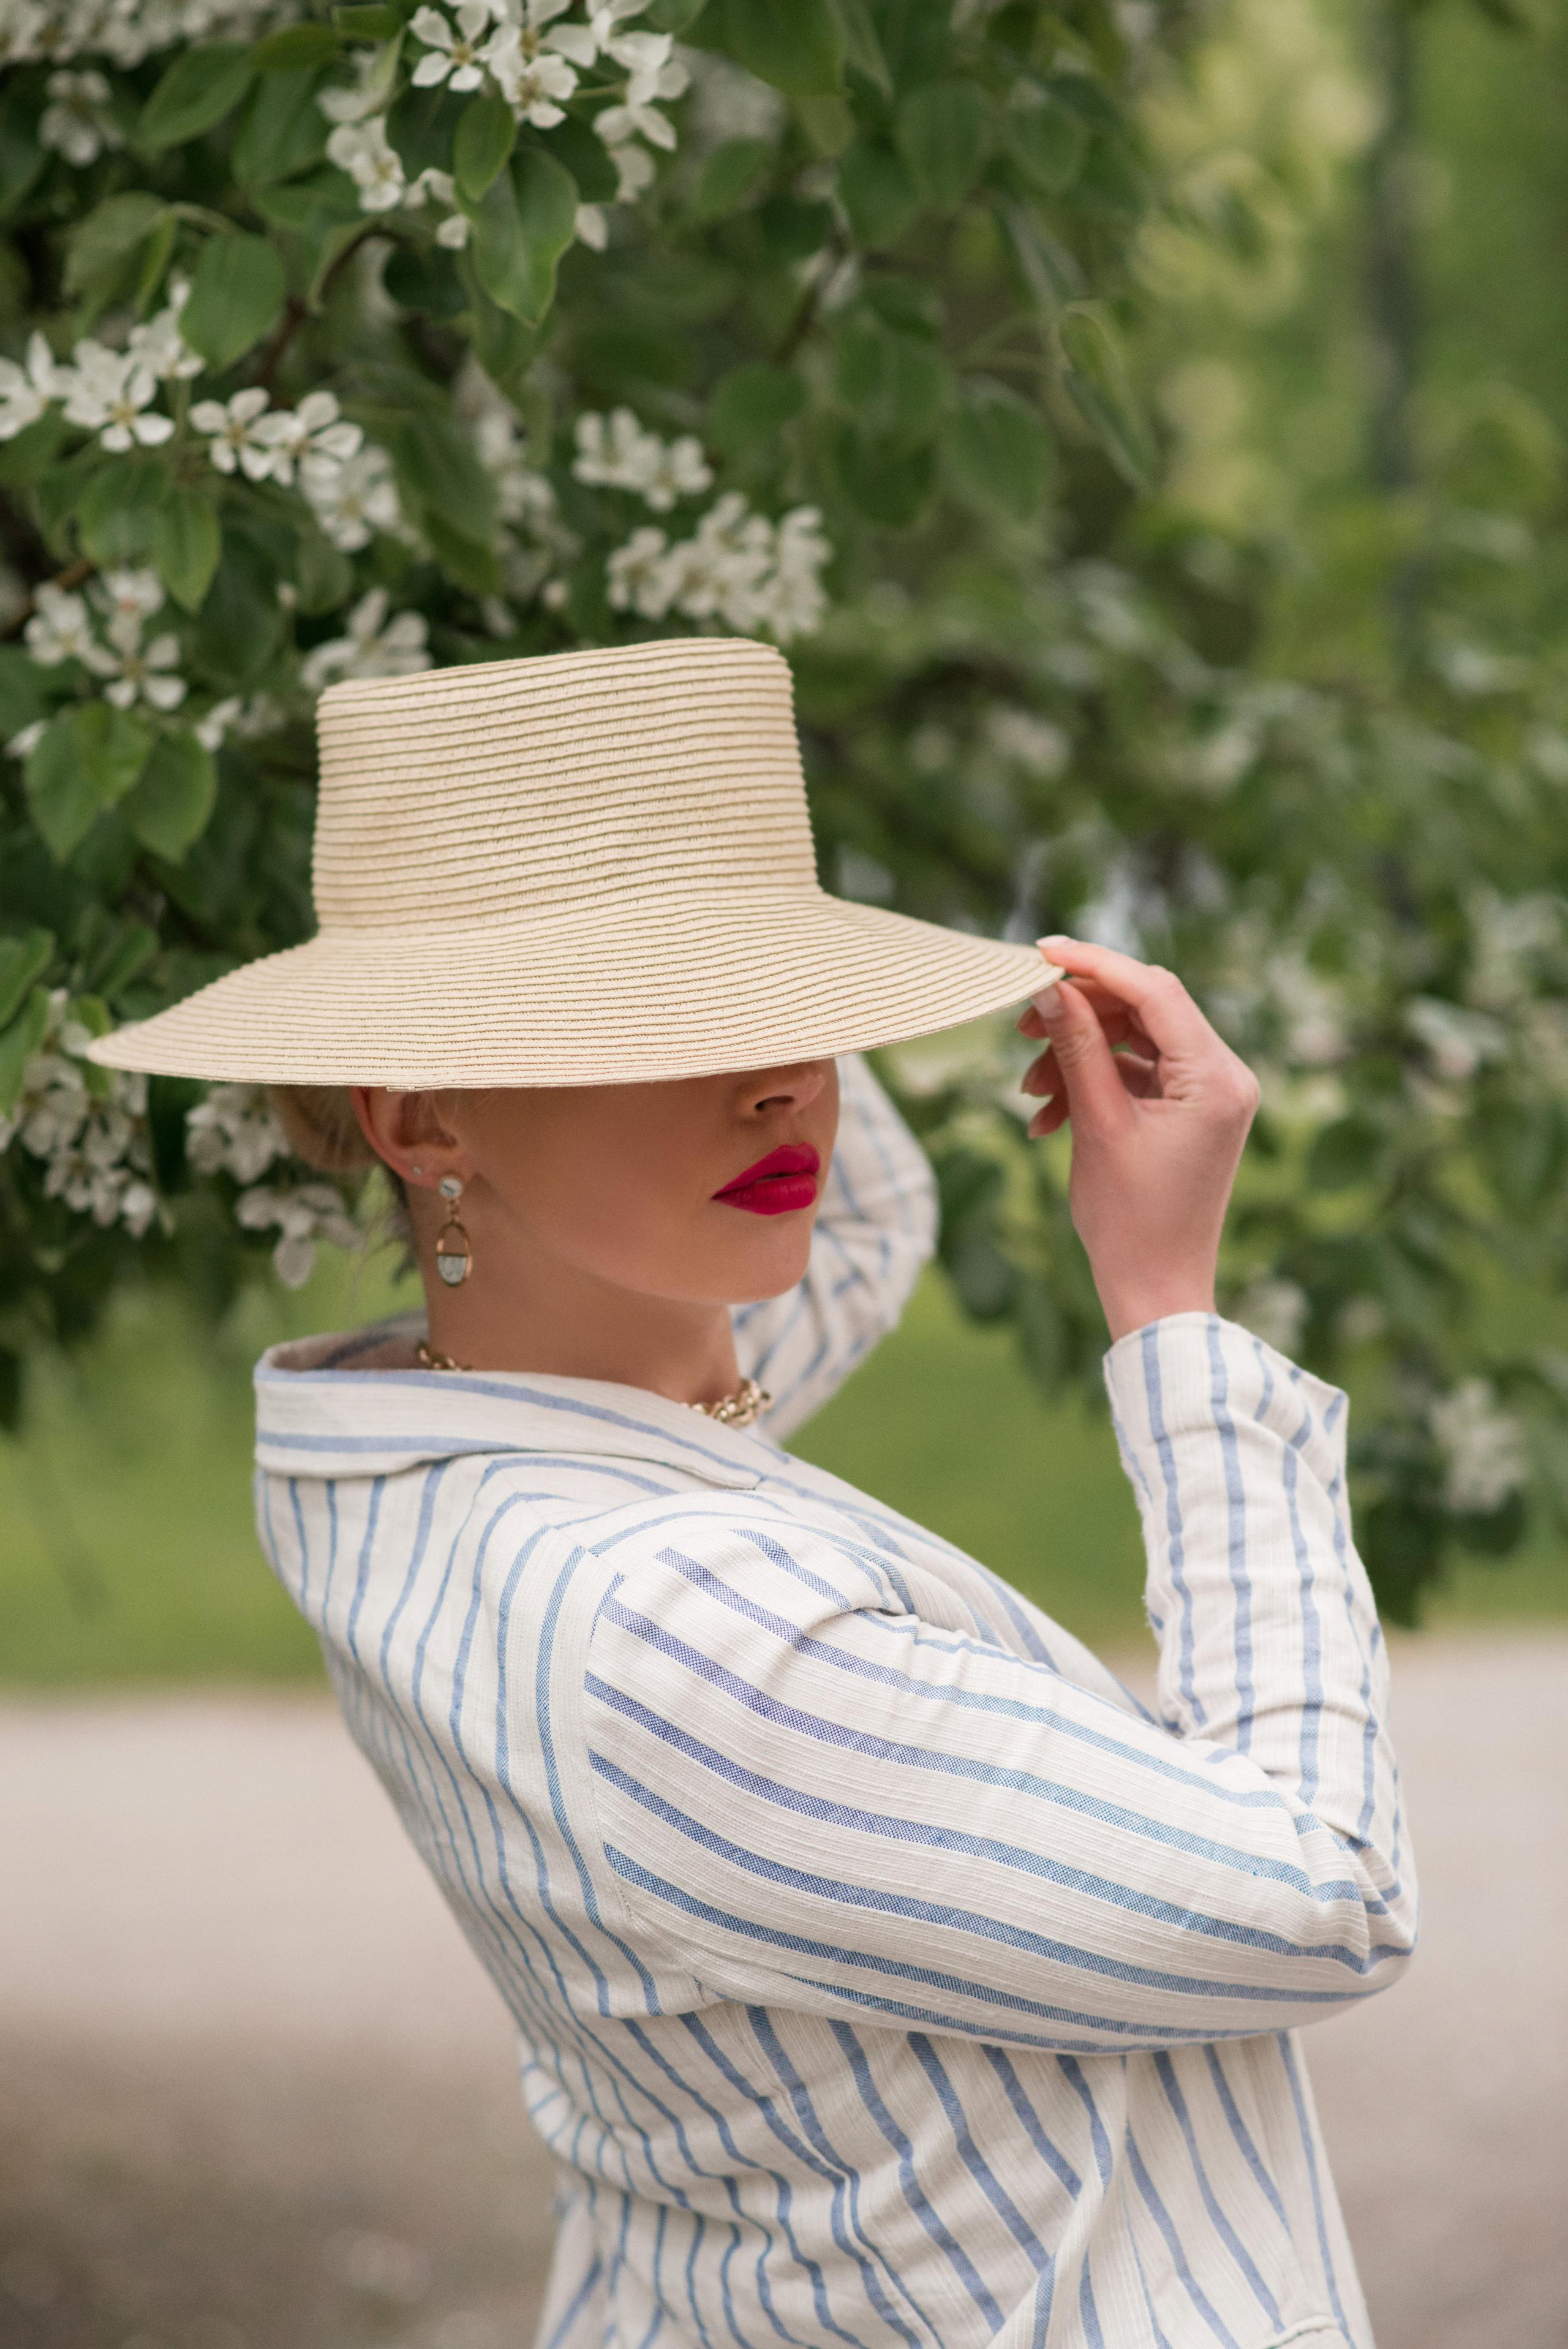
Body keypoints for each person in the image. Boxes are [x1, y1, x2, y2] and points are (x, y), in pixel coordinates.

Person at [92, 636, 1415, 2349]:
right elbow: (1321, 1887)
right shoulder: (682, 1627)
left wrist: (676, 819)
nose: (788, 1076)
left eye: (787, 1001)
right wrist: (1169, 1309)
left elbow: (853, 1222)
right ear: (421, 1112)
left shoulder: (422, 1454)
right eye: (669, 1020)